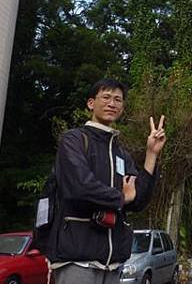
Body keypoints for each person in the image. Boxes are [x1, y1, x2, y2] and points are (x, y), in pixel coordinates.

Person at [46, 78, 166, 284]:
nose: (112, 103)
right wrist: (121, 197)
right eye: (106, 97)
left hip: (113, 264)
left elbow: (138, 200)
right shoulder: (73, 140)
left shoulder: (120, 152)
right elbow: (80, 187)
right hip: (78, 259)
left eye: (118, 99)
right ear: (91, 103)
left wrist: (151, 154)